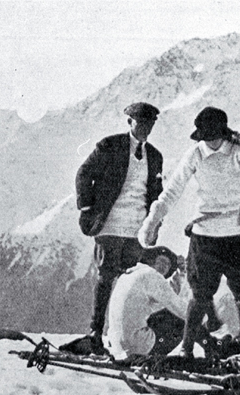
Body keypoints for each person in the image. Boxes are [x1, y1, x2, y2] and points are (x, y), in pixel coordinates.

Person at [139, 106, 240, 372]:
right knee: (199, 295)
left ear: (224, 134)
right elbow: (172, 190)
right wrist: (153, 220)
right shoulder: (197, 153)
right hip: (206, 236)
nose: (210, 142)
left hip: (237, 233)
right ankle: (187, 349)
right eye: (206, 136)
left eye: (214, 136)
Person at [75, 102, 163, 355]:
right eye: (141, 123)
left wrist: (154, 223)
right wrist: (87, 207)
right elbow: (84, 173)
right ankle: (95, 332)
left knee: (129, 281)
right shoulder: (109, 146)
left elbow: (155, 193)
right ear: (130, 122)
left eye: (150, 124)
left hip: (136, 227)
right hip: (110, 223)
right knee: (106, 278)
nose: (145, 128)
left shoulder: (155, 156)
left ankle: (119, 334)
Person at [103, 246, 186, 362]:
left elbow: (156, 306)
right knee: (185, 319)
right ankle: (207, 351)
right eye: (161, 261)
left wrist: (179, 275)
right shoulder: (152, 275)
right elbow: (178, 307)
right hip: (137, 347)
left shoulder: (129, 275)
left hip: (117, 347)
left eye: (167, 264)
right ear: (152, 261)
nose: (164, 266)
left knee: (167, 313)